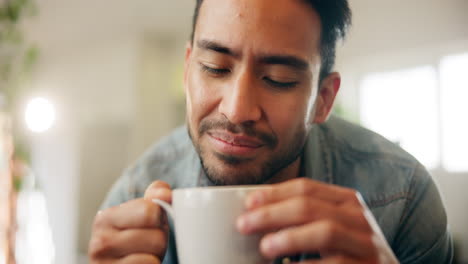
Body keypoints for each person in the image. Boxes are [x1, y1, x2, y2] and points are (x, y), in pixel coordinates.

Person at [88, 0, 453, 263]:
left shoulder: (403, 199)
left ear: (323, 99)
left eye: (279, 80)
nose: (237, 110)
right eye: (215, 68)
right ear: (187, 72)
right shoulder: (134, 194)